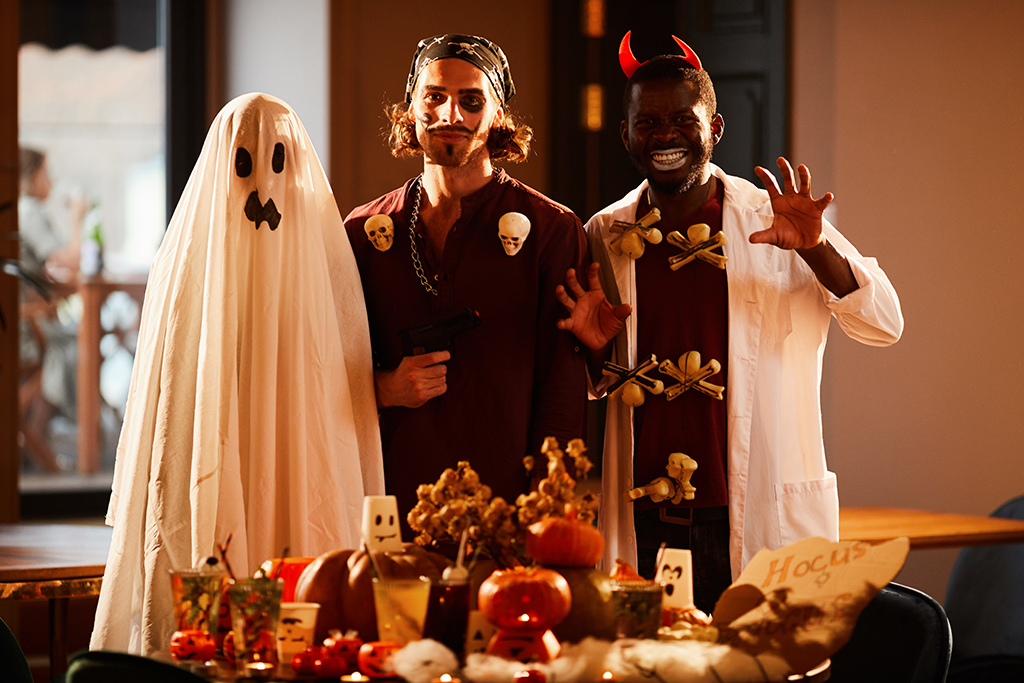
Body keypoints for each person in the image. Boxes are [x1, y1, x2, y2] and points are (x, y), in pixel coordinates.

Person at [556, 35, 903, 613]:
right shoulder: (604, 234)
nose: (665, 134)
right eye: (648, 121)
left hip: (758, 513)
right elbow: (603, 381)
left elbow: (883, 321)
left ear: (715, 127)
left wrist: (814, 249)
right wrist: (595, 353)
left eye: (681, 119)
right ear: (626, 135)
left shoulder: (775, 218)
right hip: (646, 523)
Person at [90, 93, 384, 655]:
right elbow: (171, 398)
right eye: (244, 164)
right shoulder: (184, 270)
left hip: (298, 460)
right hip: (214, 451)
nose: (264, 189)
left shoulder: (325, 269)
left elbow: (339, 391)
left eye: (278, 162)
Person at [344, 34, 588, 532]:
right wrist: (383, 389)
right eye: (433, 96)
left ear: (497, 115)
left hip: (507, 517)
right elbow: (323, 370)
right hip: (388, 508)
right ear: (410, 107)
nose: (449, 114)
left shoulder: (551, 230)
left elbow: (561, 391)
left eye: (471, 100)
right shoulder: (361, 234)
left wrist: (546, 518)